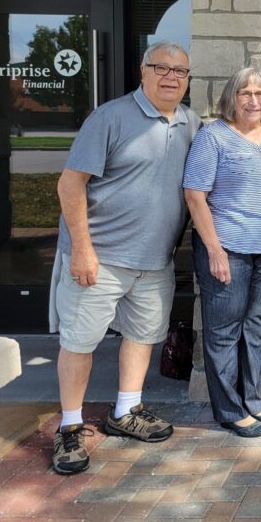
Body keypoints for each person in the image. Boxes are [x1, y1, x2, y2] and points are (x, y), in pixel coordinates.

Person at [48, 40, 201, 475]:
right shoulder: (110, 118)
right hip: (101, 256)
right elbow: (70, 184)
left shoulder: (191, 123)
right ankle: (71, 425)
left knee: (142, 334)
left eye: (180, 72)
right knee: (79, 340)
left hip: (154, 259)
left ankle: (126, 411)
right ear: (143, 70)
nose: (170, 77)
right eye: (161, 68)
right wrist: (82, 248)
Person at [183, 67, 261, 438]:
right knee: (222, 331)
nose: (253, 100)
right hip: (227, 248)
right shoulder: (212, 138)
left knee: (257, 327)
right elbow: (194, 196)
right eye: (244, 93)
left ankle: (251, 398)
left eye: (260, 94)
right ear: (231, 98)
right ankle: (229, 410)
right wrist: (214, 250)